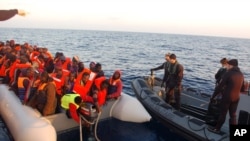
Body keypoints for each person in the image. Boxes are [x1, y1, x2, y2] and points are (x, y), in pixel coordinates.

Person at [208, 59, 244, 133]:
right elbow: (243, 88)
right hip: (236, 98)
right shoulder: (241, 74)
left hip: (227, 97)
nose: (226, 67)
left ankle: (217, 129)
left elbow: (220, 86)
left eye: (227, 65)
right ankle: (236, 133)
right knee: (233, 115)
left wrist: (213, 96)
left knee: (222, 114)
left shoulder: (228, 73)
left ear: (231, 65)